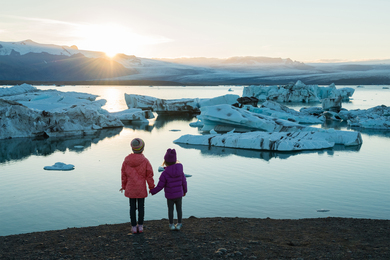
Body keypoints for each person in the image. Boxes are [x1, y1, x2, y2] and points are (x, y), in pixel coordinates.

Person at [120, 138, 155, 234]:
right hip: (141, 188)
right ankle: (140, 226)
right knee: (141, 207)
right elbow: (149, 175)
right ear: (142, 149)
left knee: (132, 207)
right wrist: (151, 187)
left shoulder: (126, 161)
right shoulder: (145, 161)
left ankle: (133, 227)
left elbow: (123, 175)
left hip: (130, 188)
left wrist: (124, 186)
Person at [150, 148, 187, 231]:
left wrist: (152, 191)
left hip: (170, 195)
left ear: (165, 161)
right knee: (179, 209)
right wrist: (185, 191)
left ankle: (171, 225)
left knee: (170, 209)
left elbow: (160, 186)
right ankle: (179, 224)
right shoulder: (180, 171)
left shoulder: (165, 173)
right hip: (179, 194)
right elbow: (184, 182)